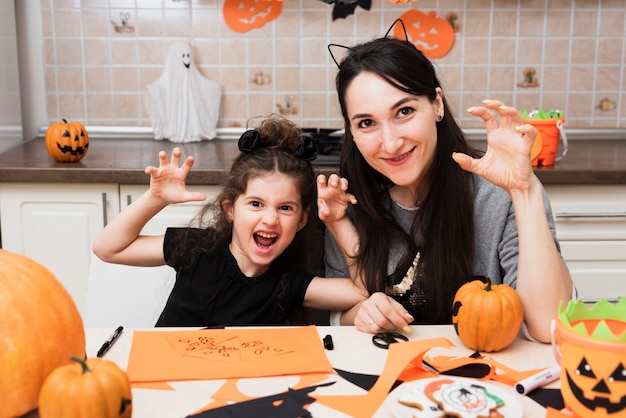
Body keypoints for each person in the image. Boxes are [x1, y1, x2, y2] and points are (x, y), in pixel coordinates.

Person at [317, 25, 574, 343]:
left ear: (436, 104)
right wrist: (362, 314)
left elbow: (548, 325)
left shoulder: (499, 194)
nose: (391, 142)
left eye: (405, 111)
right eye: (367, 123)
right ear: (352, 132)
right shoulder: (348, 202)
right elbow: (341, 316)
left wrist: (525, 192)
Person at [92, 115, 367, 327]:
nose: (270, 219)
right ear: (230, 209)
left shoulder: (289, 283)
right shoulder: (196, 247)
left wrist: (338, 220)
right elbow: (107, 248)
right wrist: (155, 198)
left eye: (285, 208)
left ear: (302, 220)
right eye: (256, 204)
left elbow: (362, 290)